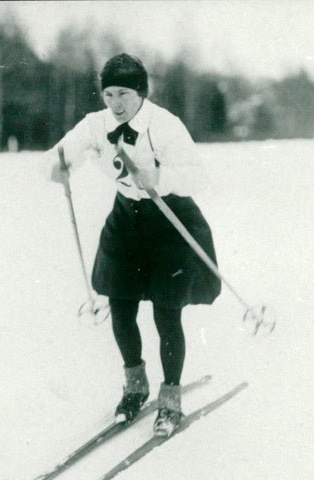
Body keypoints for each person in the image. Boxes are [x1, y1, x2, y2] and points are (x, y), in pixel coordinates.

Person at [42, 53, 221, 437]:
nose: (115, 103)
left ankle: (170, 400)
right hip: (126, 220)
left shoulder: (165, 125)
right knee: (121, 305)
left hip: (169, 221)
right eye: (108, 94)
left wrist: (159, 175)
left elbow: (196, 177)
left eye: (123, 93)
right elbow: (62, 152)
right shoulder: (97, 123)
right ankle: (135, 388)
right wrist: (58, 167)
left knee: (165, 312)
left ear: (141, 92)